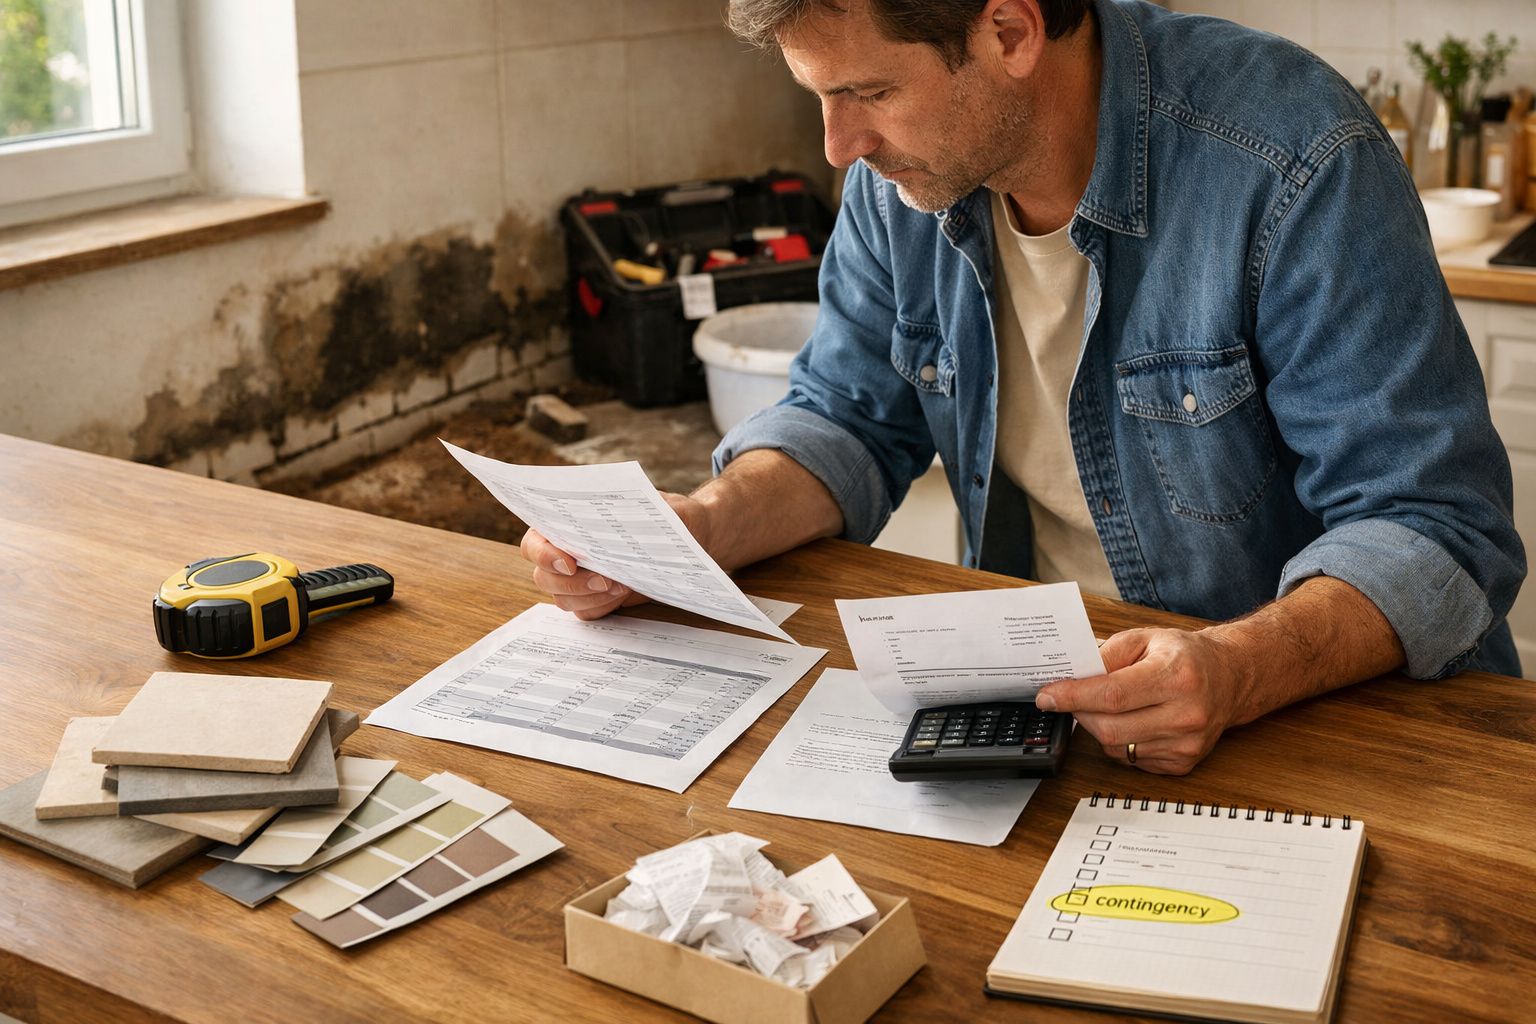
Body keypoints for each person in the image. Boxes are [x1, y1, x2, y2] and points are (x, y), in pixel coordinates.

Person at [522, 0, 1526, 775]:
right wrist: (697, 531)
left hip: (1334, 726)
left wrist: (1234, 669)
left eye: (867, 92)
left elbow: (1436, 528)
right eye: (819, 97)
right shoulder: (899, 185)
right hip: (1059, 718)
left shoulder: (1293, 156)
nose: (838, 147)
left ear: (1008, 29)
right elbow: (846, 418)